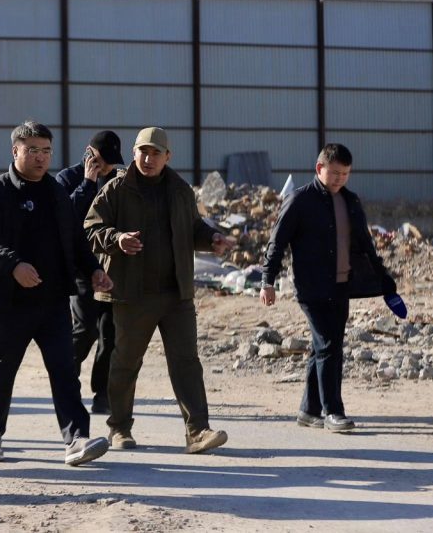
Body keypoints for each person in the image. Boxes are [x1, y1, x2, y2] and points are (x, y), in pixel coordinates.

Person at [0, 120, 112, 466]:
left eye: (46, 151)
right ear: (15, 151)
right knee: (1, 369)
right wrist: (13, 265)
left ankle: (76, 439)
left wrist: (94, 269)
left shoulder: (56, 192)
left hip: (52, 301)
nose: (40, 157)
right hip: (9, 301)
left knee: (64, 371)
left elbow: (75, 239)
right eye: (32, 150)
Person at [85, 127, 233, 454]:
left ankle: (197, 431)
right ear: (134, 153)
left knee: (186, 362)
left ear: (168, 157)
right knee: (126, 362)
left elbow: (192, 228)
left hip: (176, 293)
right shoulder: (116, 189)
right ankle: (119, 427)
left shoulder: (179, 190)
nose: (148, 159)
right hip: (132, 293)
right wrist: (116, 239)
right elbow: (91, 228)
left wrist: (212, 239)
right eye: (143, 152)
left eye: (155, 153)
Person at [260, 143, 396, 432]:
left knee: (323, 348)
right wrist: (267, 281)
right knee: (329, 346)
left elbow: (366, 244)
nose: (339, 179)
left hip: (342, 286)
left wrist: (383, 277)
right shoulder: (300, 201)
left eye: (345, 174)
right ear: (319, 168)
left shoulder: (351, 201)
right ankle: (333, 411)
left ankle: (308, 411)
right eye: (334, 173)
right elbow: (277, 242)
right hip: (311, 288)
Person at [56, 130, 124, 415]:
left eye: (111, 161)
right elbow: (64, 218)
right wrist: (87, 182)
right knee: (85, 329)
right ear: (89, 153)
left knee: (110, 332)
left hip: (112, 266)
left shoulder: (119, 181)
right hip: (81, 268)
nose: (107, 166)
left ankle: (102, 394)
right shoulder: (67, 179)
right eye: (102, 159)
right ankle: (65, 384)